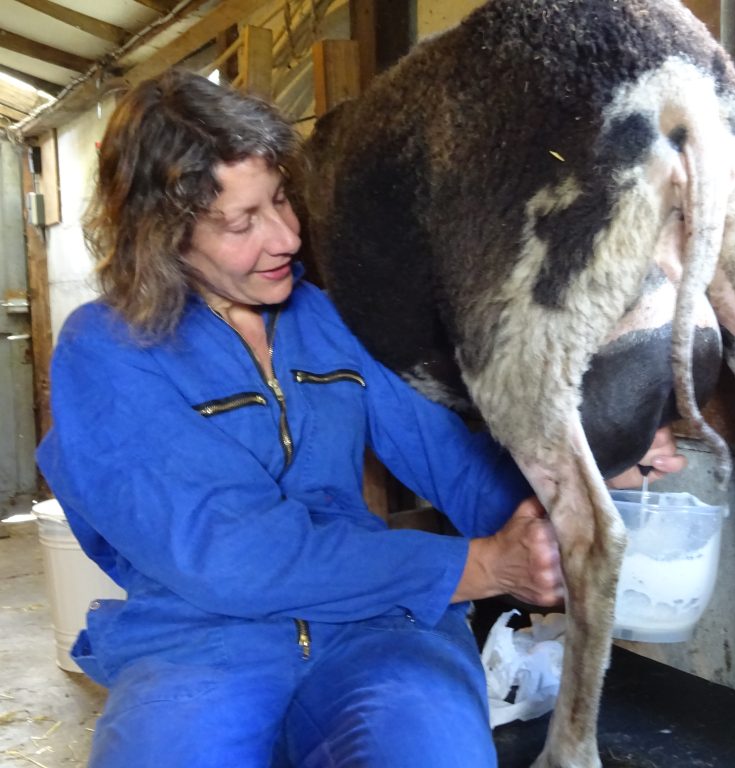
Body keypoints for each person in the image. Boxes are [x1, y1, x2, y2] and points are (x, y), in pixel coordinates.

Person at [36, 69, 685, 768]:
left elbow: (453, 463)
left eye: (280, 199)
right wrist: (476, 567)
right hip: (196, 640)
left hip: (377, 624)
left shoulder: (327, 318)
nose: (287, 237)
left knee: (432, 750)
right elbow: (229, 553)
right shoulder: (108, 350)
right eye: (242, 222)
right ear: (162, 236)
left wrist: (588, 472)